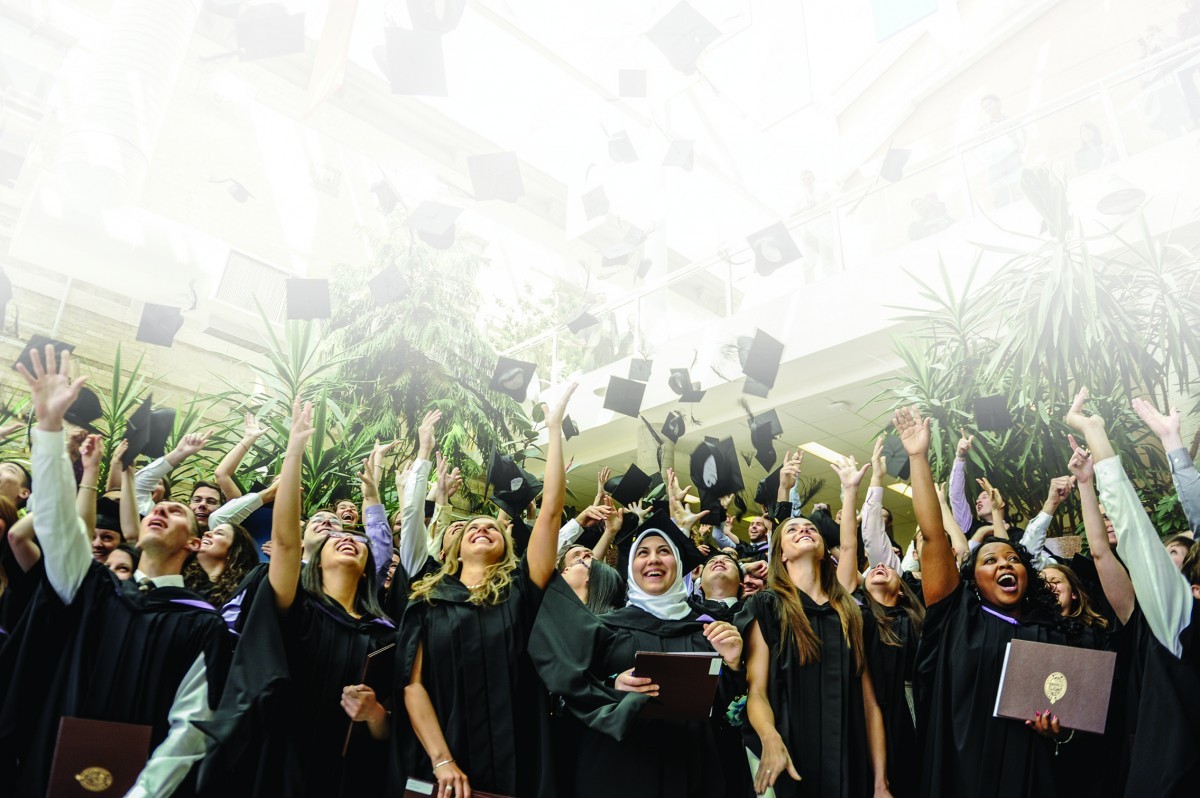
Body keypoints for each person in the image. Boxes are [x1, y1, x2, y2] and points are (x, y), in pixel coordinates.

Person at [0, 344, 230, 797]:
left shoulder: (200, 624)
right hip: (43, 773)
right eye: (156, 507)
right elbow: (54, 524)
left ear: (193, 542)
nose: (161, 507)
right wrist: (47, 428)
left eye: (176, 510)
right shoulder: (93, 588)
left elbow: (191, 725)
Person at [198, 397, 397, 797]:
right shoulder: (295, 607)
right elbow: (286, 543)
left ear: (369, 567)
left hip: (345, 777)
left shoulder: (383, 637)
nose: (345, 538)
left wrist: (375, 714)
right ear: (316, 561)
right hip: (277, 762)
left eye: (355, 539)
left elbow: (392, 728)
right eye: (334, 537)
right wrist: (295, 451)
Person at [896, 405, 1097, 798]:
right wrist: (917, 458)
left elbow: (1072, 718)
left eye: (1014, 559)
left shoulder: (1049, 633)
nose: (1005, 563)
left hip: (1028, 774)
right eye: (990, 559)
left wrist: (1060, 729)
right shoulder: (957, 616)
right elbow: (934, 535)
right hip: (960, 775)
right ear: (973, 575)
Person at [400, 386, 576, 798]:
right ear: (454, 548)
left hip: (521, 749)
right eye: (473, 527)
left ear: (507, 546)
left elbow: (550, 509)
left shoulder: (521, 589)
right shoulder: (428, 600)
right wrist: (442, 761)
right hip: (447, 749)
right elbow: (413, 686)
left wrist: (554, 431)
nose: (483, 527)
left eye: (493, 527)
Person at [531, 513, 749, 798]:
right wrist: (612, 687)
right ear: (631, 565)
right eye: (643, 553)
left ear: (679, 564)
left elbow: (729, 717)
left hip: (693, 766)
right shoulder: (604, 629)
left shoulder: (709, 630)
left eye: (664, 551)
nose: (653, 560)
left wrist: (733, 667)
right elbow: (571, 694)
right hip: (617, 769)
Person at [1067, 391, 1200, 795]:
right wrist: (1095, 438)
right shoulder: (1178, 620)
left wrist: (1172, 442)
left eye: (1174, 552)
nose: (1161, 560)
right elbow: (1129, 536)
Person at [743, 448, 890, 798]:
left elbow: (870, 705)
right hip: (793, 759)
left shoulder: (849, 613)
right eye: (793, 529)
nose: (804, 529)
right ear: (781, 552)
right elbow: (756, 691)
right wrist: (770, 738)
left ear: (824, 549)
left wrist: (881, 783)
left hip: (849, 761)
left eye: (811, 527)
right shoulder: (768, 606)